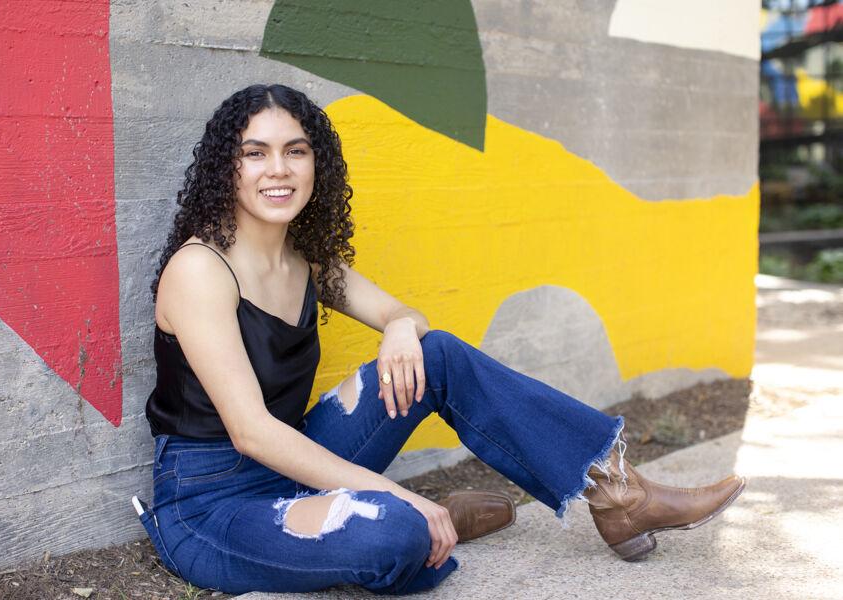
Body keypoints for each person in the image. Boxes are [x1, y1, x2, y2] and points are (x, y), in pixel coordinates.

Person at [132, 83, 745, 595]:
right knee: (394, 533)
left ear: (317, 163)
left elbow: (402, 311)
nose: (279, 170)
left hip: (296, 465)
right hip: (212, 506)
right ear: (227, 166)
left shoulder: (306, 260)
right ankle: (426, 519)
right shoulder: (200, 271)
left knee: (436, 353)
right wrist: (401, 494)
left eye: (296, 151)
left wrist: (400, 327)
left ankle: (616, 490)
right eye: (255, 153)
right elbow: (251, 432)